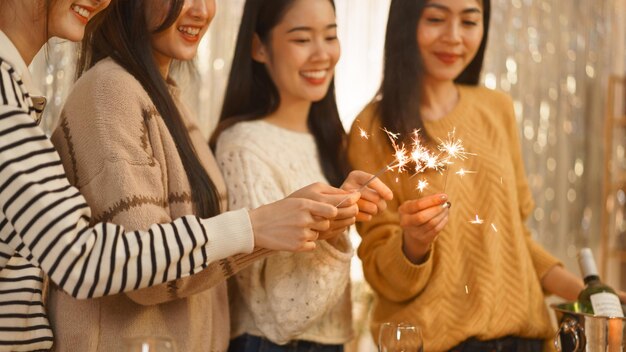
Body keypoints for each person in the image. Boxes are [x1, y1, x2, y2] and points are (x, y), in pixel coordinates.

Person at [0, 0, 344, 350]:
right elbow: (88, 260)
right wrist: (256, 229)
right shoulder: (108, 90)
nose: (202, 10)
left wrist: (279, 226)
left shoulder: (173, 105)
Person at [347, 0, 587, 351]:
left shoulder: (497, 109)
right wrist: (415, 243)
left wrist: (588, 294)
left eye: (470, 21)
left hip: (528, 341)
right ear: (405, 22)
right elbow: (387, 280)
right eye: (436, 19)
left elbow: (512, 241)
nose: (454, 37)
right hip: (436, 344)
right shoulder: (372, 127)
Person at [210, 0, 393, 351]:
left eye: (330, 35)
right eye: (301, 39)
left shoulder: (334, 141)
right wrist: (332, 230)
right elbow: (283, 315)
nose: (322, 54)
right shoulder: (243, 146)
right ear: (259, 47)